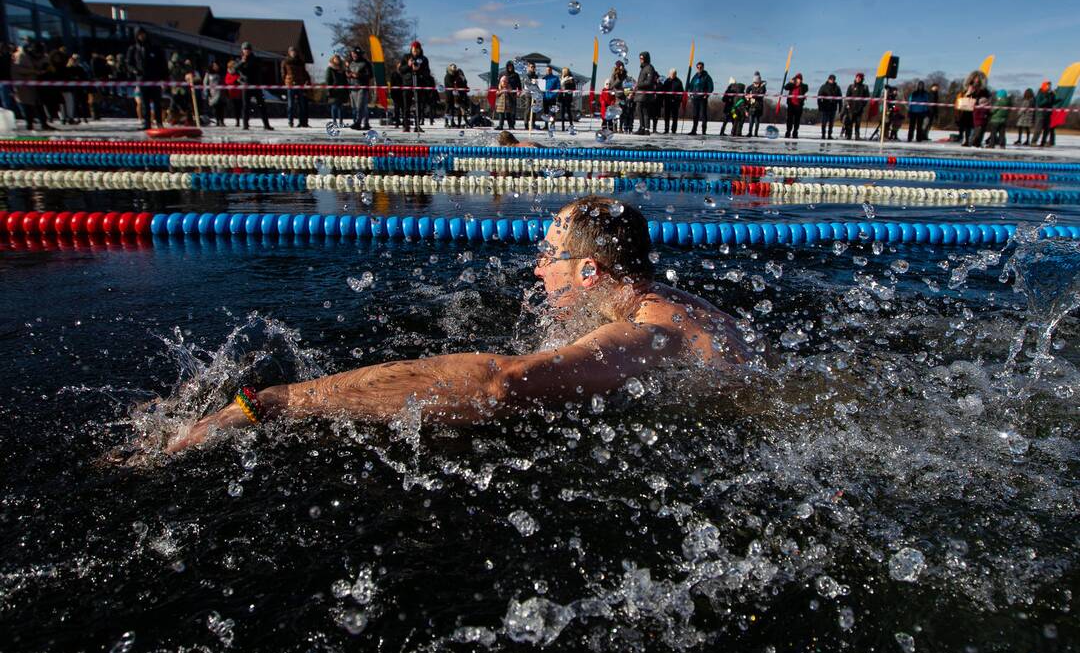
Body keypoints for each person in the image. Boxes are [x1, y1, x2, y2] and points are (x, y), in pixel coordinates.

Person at [161, 196, 757, 458]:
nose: (536, 267)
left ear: (589, 270)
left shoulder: (651, 327)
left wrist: (280, 400)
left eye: (547, 255)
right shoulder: (663, 302)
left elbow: (504, 383)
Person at [125, 27, 166, 130]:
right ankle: (147, 123)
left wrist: (163, 77)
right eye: (139, 34)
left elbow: (162, 63)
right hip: (142, 80)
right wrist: (135, 71)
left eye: (143, 34)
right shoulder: (133, 49)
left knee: (157, 102)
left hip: (155, 80)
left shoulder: (155, 48)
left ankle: (159, 122)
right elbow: (128, 64)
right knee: (144, 103)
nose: (142, 36)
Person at [12, 43, 52, 131]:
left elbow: (43, 63)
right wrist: (34, 71)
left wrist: (45, 66)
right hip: (23, 85)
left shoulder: (37, 57)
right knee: (28, 105)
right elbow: (17, 69)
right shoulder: (21, 56)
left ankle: (43, 123)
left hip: (35, 84)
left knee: (39, 104)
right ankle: (29, 124)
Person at [236, 41, 273, 131]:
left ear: (251, 50)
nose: (246, 51)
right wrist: (242, 62)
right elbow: (234, 70)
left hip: (256, 84)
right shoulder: (239, 59)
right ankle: (245, 125)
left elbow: (259, 69)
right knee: (245, 106)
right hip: (246, 85)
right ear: (242, 50)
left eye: (248, 49)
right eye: (245, 49)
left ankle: (266, 125)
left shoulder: (256, 59)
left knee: (261, 105)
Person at [397, 41, 430, 133]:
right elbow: (400, 70)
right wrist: (408, 65)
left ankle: (417, 125)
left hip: (419, 84)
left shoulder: (424, 59)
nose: (415, 51)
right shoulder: (406, 57)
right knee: (406, 106)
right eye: (414, 49)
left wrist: (420, 69)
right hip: (407, 84)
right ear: (411, 49)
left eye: (417, 49)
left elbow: (427, 72)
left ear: (420, 50)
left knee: (419, 105)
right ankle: (406, 125)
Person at [282, 46, 311, 128]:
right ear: (289, 52)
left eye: (294, 51)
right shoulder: (285, 61)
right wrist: (286, 82)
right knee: (291, 105)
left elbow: (304, 72)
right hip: (290, 84)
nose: (293, 53)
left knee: (301, 105)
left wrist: (307, 80)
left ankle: (302, 122)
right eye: (292, 51)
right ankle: (290, 121)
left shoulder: (300, 62)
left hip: (300, 84)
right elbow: (283, 73)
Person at [347, 47, 372, 131]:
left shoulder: (365, 63)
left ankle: (358, 123)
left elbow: (370, 75)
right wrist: (348, 74)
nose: (353, 55)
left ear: (359, 54)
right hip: (353, 87)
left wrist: (359, 76)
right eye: (352, 53)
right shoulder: (350, 62)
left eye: (355, 54)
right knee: (359, 106)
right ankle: (366, 123)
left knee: (360, 106)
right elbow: (347, 71)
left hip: (362, 87)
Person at [635, 52, 658, 135]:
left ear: (646, 59)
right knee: (640, 110)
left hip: (645, 95)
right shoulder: (643, 68)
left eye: (642, 58)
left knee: (644, 111)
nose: (640, 60)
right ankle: (642, 127)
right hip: (640, 94)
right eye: (640, 58)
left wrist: (638, 84)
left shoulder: (649, 68)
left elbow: (649, 82)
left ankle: (646, 129)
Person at [687, 61, 713, 136]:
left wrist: (706, 95)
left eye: (701, 67)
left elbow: (711, 87)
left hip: (702, 98)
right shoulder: (694, 77)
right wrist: (690, 92)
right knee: (695, 114)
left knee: (703, 115)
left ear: (703, 67)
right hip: (695, 98)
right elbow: (691, 85)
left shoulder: (707, 76)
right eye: (698, 67)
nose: (699, 68)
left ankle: (703, 131)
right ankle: (694, 130)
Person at [841, 72, 869, 140]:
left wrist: (863, 105)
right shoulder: (851, 86)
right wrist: (848, 104)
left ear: (862, 79)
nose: (858, 79)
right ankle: (848, 135)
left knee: (857, 123)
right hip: (851, 108)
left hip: (859, 108)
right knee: (849, 123)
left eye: (859, 78)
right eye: (857, 78)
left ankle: (857, 136)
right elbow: (847, 96)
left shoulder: (865, 87)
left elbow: (866, 98)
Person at [325, 54, 349, 127]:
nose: (337, 60)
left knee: (341, 107)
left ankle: (341, 122)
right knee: (334, 107)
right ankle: (334, 122)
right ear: (333, 60)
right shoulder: (330, 69)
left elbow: (345, 79)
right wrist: (329, 90)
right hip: (333, 91)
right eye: (336, 59)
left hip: (341, 91)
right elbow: (328, 80)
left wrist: (346, 89)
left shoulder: (342, 69)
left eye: (338, 59)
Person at [783, 72, 808, 138]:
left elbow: (806, 88)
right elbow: (785, 87)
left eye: (799, 79)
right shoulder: (792, 85)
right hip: (791, 105)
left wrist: (799, 84)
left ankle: (795, 132)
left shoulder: (804, 86)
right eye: (797, 79)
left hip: (799, 105)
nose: (798, 80)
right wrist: (791, 82)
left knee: (797, 120)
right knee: (789, 119)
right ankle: (788, 131)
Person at [817, 74, 842, 139]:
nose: (832, 80)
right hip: (825, 107)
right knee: (824, 122)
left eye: (833, 79)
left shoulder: (837, 88)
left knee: (831, 123)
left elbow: (840, 98)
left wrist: (840, 108)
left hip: (833, 107)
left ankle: (829, 135)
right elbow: (819, 96)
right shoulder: (824, 87)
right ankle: (823, 135)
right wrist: (820, 106)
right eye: (831, 79)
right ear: (828, 79)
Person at [203, 61, 226, 126]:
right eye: (214, 65)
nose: (216, 67)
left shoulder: (222, 73)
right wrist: (207, 91)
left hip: (222, 93)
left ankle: (222, 121)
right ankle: (217, 121)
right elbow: (205, 82)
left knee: (222, 107)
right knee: (215, 108)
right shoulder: (209, 73)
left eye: (217, 65)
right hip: (213, 93)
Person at [1033, 80, 1055, 147]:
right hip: (1040, 114)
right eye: (1048, 85)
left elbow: (1052, 102)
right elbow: (1039, 104)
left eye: (1050, 85)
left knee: (1047, 129)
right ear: (1045, 86)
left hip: (1048, 114)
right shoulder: (1040, 93)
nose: (1049, 87)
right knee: (1038, 129)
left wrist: (1054, 97)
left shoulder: (1050, 94)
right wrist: (1046, 99)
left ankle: (1043, 142)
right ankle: (1034, 141)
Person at [661, 69, 683, 134]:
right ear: (669, 74)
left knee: (675, 117)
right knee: (666, 116)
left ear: (676, 74)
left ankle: (674, 130)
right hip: (667, 101)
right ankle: (666, 129)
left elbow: (681, 92)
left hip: (675, 102)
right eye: (671, 74)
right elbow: (663, 91)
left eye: (674, 74)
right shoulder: (666, 81)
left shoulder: (679, 82)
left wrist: (678, 100)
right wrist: (664, 100)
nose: (672, 75)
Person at [745, 72, 766, 137]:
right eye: (754, 83)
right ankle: (750, 132)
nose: (755, 84)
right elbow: (748, 89)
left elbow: (761, 95)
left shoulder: (763, 87)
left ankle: (756, 133)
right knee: (751, 121)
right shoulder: (752, 86)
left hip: (759, 106)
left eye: (757, 83)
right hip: (752, 106)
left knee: (757, 121)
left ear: (759, 82)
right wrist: (747, 95)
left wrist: (752, 96)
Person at [224, 60, 243, 127]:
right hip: (231, 93)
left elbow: (241, 80)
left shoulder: (238, 73)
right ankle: (236, 120)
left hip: (239, 93)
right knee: (234, 108)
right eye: (232, 66)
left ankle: (239, 120)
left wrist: (239, 81)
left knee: (239, 108)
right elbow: (227, 82)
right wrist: (235, 81)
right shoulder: (228, 74)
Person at [558, 67, 576, 131]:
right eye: (563, 71)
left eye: (565, 71)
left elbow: (574, 88)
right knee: (562, 112)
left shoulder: (571, 79)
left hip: (568, 97)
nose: (563, 72)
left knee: (568, 111)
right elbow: (559, 87)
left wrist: (568, 89)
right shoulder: (561, 78)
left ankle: (571, 125)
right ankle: (562, 127)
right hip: (562, 97)